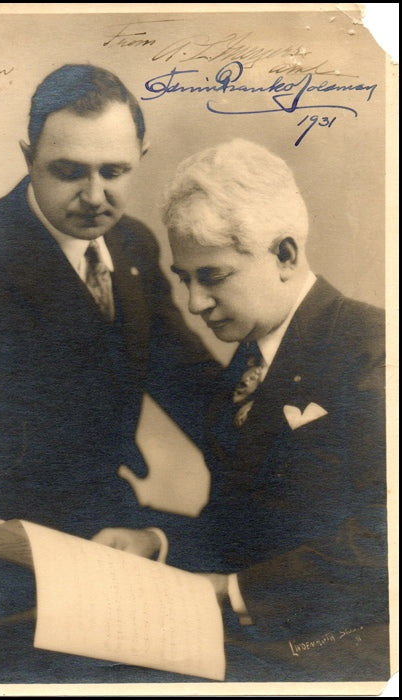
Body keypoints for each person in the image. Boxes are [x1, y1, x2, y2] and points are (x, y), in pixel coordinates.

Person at [0, 64, 218, 683]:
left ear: (141, 157)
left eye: (114, 172)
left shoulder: (131, 246)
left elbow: (193, 386)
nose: (95, 195)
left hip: (102, 534)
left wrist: (288, 449)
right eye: (69, 171)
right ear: (29, 159)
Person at [96, 139, 389, 682]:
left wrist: (235, 591)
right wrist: (157, 543)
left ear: (285, 256)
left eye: (212, 276)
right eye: (184, 279)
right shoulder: (247, 364)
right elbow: (242, 528)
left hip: (344, 652)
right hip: (260, 638)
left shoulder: (373, 347)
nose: (194, 303)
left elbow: (384, 537)